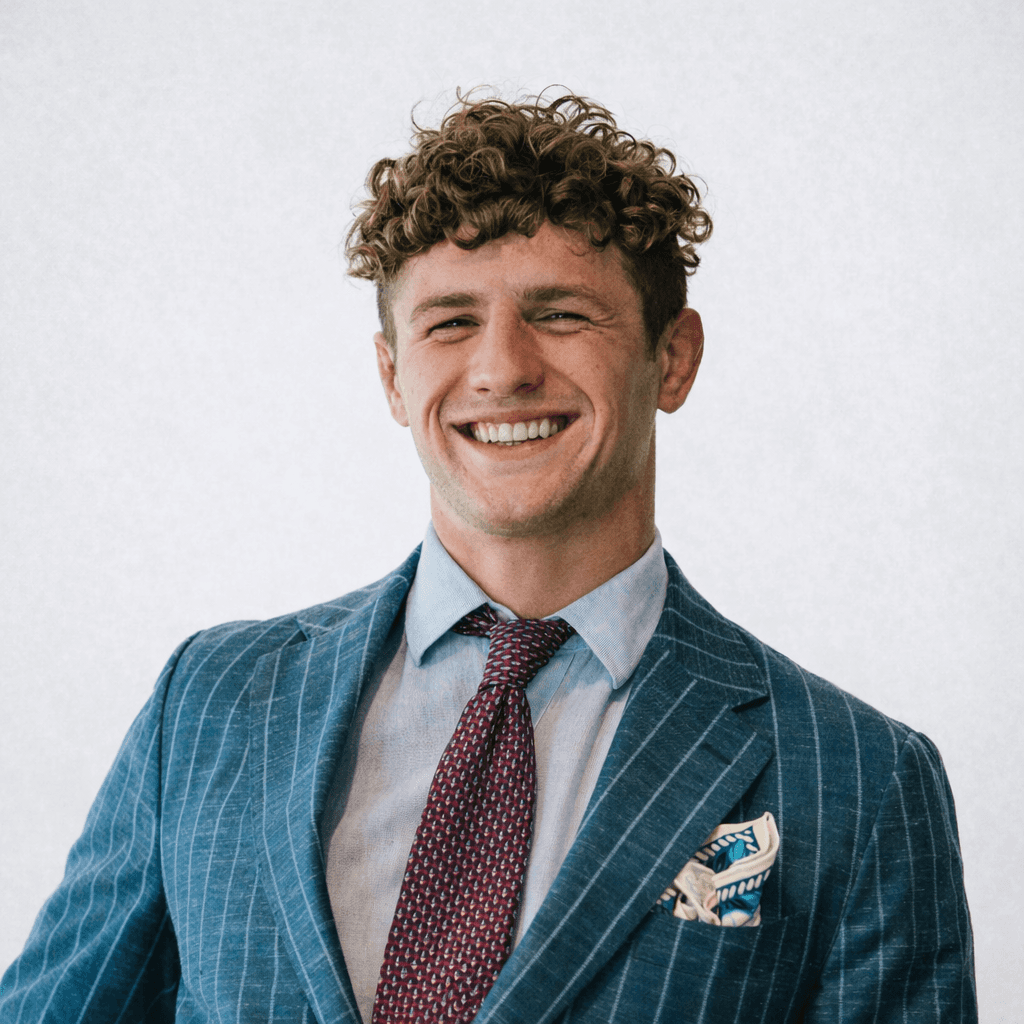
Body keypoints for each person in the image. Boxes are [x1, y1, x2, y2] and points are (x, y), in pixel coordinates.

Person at [0, 92, 976, 1024]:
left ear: (671, 357)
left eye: (558, 312)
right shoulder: (213, 702)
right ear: (392, 374)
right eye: (450, 321)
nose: (501, 367)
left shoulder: (857, 774)